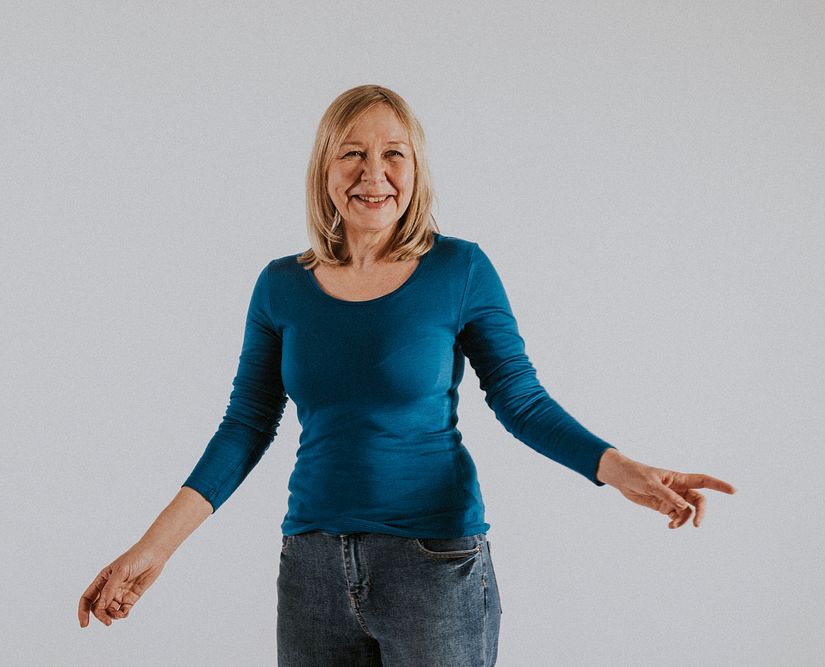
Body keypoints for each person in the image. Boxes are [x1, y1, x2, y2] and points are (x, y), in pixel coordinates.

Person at [78, 84, 736, 665]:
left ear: (416, 168)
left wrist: (623, 471)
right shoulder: (281, 285)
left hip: (435, 566)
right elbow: (245, 426)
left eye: (393, 152)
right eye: (352, 153)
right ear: (325, 169)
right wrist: (152, 550)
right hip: (311, 572)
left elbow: (520, 400)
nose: (374, 173)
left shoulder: (460, 269)